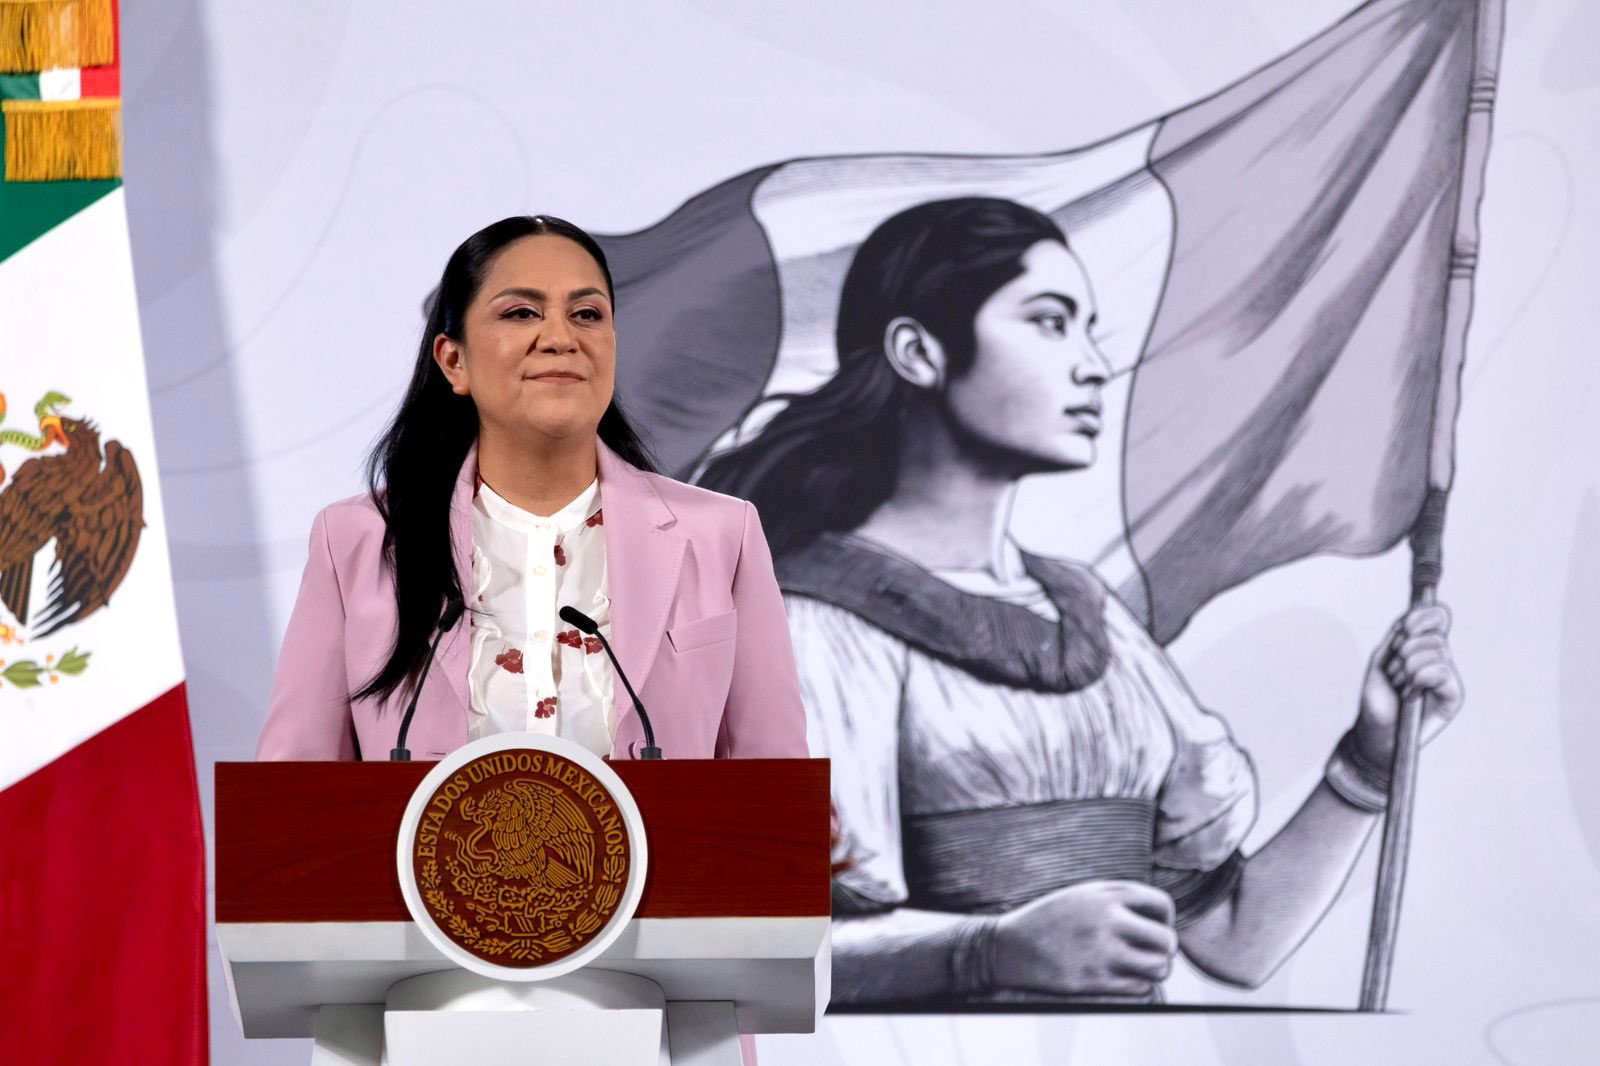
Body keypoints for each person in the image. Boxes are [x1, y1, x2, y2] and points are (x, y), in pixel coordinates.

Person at [696, 197, 1464, 1005]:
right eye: (1050, 322)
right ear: (918, 353)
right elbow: (730, 957)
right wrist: (986, 952)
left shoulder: (1088, 613)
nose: (1094, 365)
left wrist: (1371, 758)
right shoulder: (799, 621)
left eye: (1088, 329)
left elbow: (1236, 940)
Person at [257, 215, 808, 766]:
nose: (561, 339)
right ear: (454, 360)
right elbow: (292, 788)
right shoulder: (357, 539)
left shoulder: (721, 535)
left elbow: (779, 782)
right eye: (521, 313)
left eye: (586, 314)